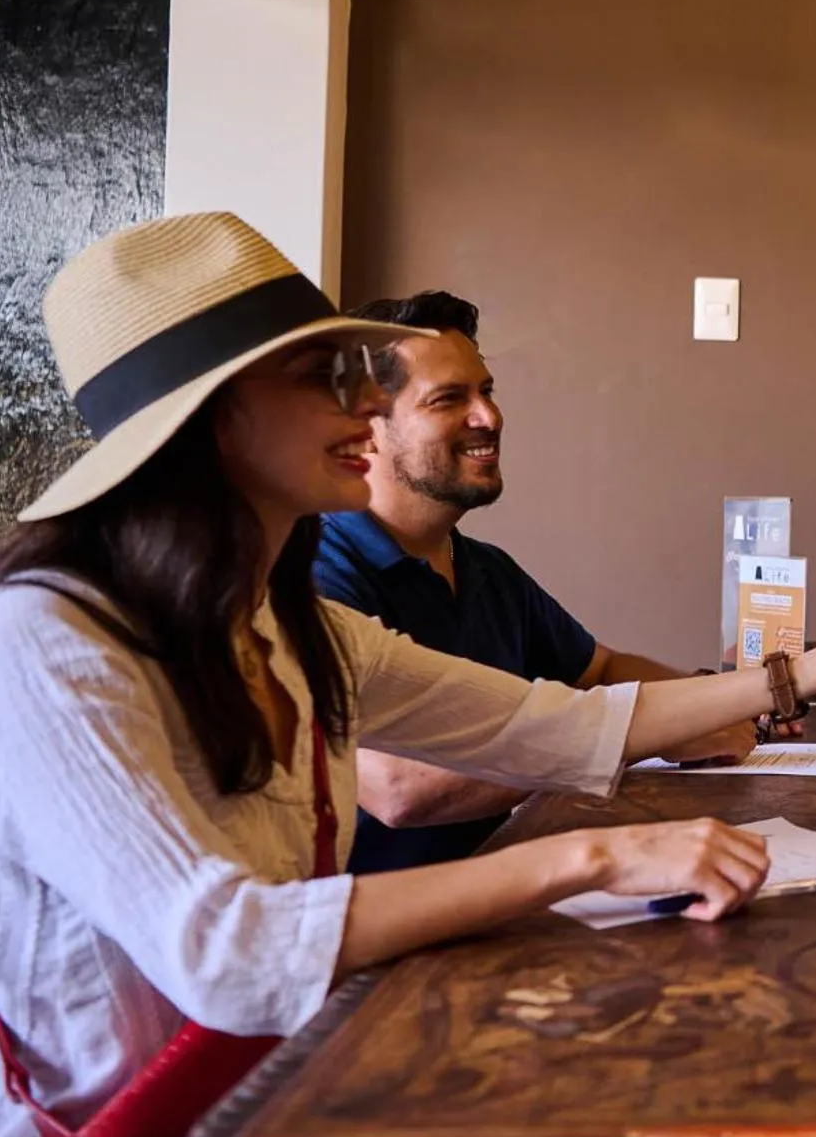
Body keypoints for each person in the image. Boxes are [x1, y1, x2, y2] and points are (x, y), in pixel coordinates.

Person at [0, 213, 816, 1137]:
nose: (370, 405)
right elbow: (228, 954)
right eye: (327, 379)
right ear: (208, 421)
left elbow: (549, 720)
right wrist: (590, 852)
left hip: (256, 1112)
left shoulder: (293, 627)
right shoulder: (42, 643)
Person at [310, 291, 753, 873]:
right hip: (389, 939)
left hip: (512, 887)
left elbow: (601, 670)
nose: (488, 417)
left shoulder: (487, 570)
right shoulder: (314, 575)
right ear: (365, 428)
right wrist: (648, 735)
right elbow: (402, 791)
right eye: (449, 399)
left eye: (486, 391)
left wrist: (710, 704)